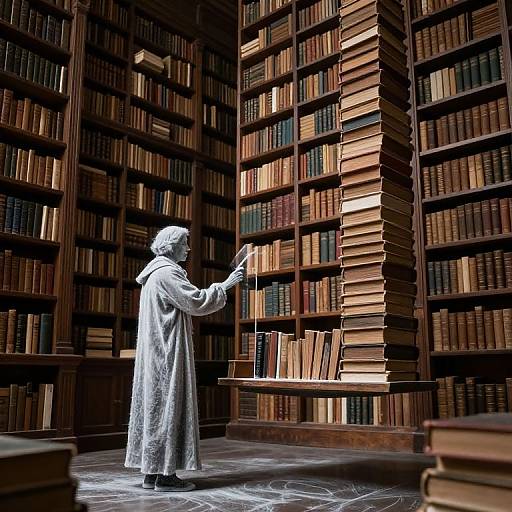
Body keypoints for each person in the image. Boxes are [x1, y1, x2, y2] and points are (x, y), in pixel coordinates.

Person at [124, 225, 244, 492]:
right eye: (184, 244)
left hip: (157, 353)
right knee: (169, 408)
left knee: (157, 409)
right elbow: (196, 301)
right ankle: (166, 476)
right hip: (167, 353)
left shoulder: (154, 273)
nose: (188, 249)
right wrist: (225, 285)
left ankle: (152, 473)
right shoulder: (166, 273)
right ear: (171, 245)